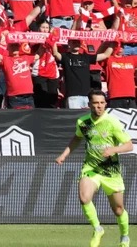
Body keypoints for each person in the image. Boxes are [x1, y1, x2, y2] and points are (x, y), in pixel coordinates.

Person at [56, 90, 133, 247]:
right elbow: (77, 138)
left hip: (111, 171)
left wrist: (113, 150)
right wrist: (64, 155)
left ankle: (125, 237)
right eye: (96, 103)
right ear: (89, 104)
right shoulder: (83, 123)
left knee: (118, 210)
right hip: (91, 168)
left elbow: (129, 145)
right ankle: (98, 229)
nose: (99, 106)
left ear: (105, 104)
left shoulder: (112, 122)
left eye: (102, 103)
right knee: (84, 198)